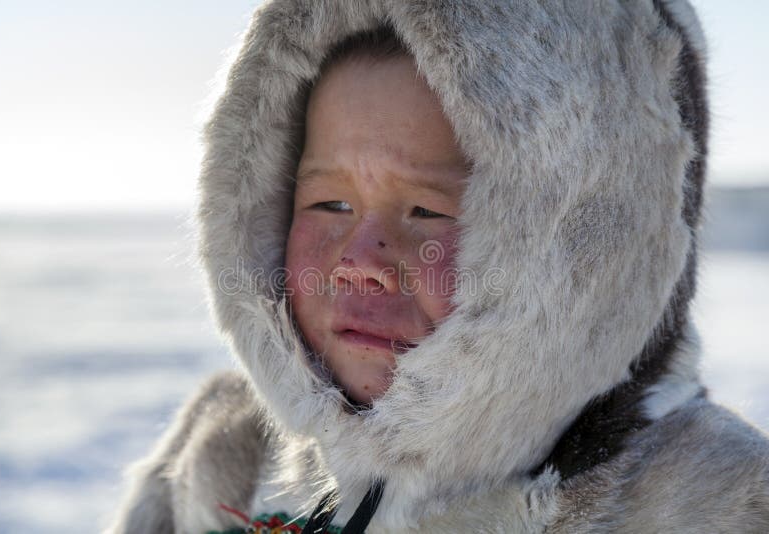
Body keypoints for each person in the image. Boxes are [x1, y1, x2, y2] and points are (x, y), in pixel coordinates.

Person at [107, 2, 769, 532]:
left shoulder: (719, 506)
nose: (360, 263)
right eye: (330, 202)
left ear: (588, 252)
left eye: (427, 210)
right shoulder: (226, 458)